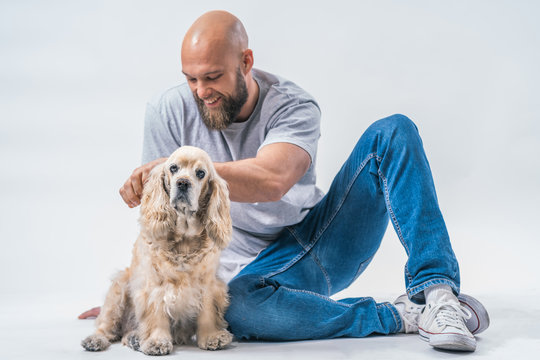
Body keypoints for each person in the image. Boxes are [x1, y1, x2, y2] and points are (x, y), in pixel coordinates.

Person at [80, 10, 489, 352]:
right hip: (247, 275)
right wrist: (142, 293)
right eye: (191, 79)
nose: (201, 91)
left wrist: (185, 166)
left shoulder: (293, 104)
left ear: (245, 62)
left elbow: (272, 179)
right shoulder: (168, 111)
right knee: (238, 308)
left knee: (393, 131)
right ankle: (403, 316)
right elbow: (160, 227)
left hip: (321, 243)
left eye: (213, 76)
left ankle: (438, 295)